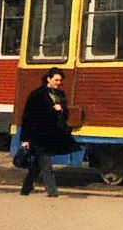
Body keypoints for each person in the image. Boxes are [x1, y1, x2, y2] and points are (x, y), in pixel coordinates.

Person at [19, 68, 80, 197]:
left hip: (52, 134)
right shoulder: (37, 94)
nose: (58, 82)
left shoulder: (60, 95)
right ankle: (53, 192)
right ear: (48, 79)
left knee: (37, 164)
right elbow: (28, 117)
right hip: (38, 135)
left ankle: (26, 189)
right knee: (47, 165)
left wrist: (61, 109)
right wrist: (25, 139)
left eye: (60, 80)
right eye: (56, 80)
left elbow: (66, 114)